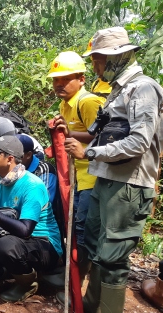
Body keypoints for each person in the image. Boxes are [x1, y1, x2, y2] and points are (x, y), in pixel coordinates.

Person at [64, 26, 163, 313]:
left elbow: (138, 142)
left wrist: (91, 154)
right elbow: (100, 135)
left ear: (115, 57)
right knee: (98, 249)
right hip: (106, 179)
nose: (94, 66)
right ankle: (91, 309)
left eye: (97, 60)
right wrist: (68, 132)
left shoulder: (143, 88)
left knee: (112, 259)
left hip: (128, 186)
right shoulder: (117, 91)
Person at [0, 135, 62, 302]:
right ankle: (16, 271)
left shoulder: (32, 185)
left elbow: (25, 230)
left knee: (7, 245)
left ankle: (28, 284)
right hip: (11, 240)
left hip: (42, 243)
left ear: (9, 159)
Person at [47, 51, 106, 291]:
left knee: (82, 231)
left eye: (66, 78)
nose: (59, 84)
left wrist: (79, 145)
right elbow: (83, 134)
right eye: (55, 79)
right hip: (74, 178)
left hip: (92, 177)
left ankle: (78, 286)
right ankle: (71, 275)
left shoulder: (88, 102)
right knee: (71, 227)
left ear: (81, 78)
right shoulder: (65, 103)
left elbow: (105, 137)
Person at [15, 134, 58, 204]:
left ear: (28, 155)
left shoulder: (44, 169)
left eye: (16, 155)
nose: (11, 158)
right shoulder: (13, 168)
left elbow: (44, 201)